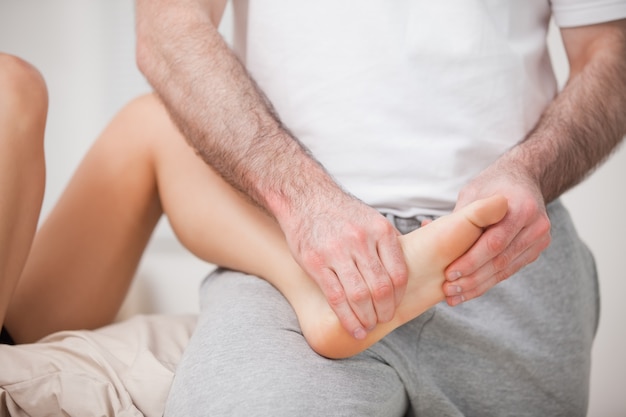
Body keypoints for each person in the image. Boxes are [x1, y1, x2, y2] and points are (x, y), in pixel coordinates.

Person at [134, 1, 626, 416]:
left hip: (505, 250)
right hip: (296, 254)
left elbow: (611, 50)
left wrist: (531, 171)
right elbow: (169, 24)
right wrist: (305, 201)